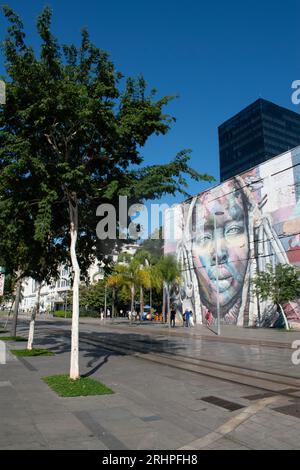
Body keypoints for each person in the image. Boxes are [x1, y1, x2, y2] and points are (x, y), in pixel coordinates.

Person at [174, 171, 300, 327]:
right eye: (203, 238)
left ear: (253, 236)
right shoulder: (181, 309)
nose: (219, 254)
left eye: (233, 230)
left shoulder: (283, 319)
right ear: (188, 250)